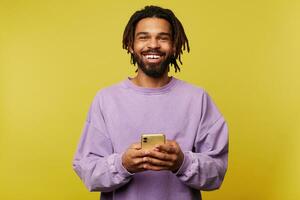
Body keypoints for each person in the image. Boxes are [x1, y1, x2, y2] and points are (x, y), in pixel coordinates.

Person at [73, 5, 228, 200]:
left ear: (174, 46)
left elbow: (217, 172)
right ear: (130, 44)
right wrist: (122, 165)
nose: (153, 45)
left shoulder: (198, 99)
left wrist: (182, 162)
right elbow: (87, 171)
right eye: (143, 37)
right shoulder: (106, 99)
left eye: (163, 38)